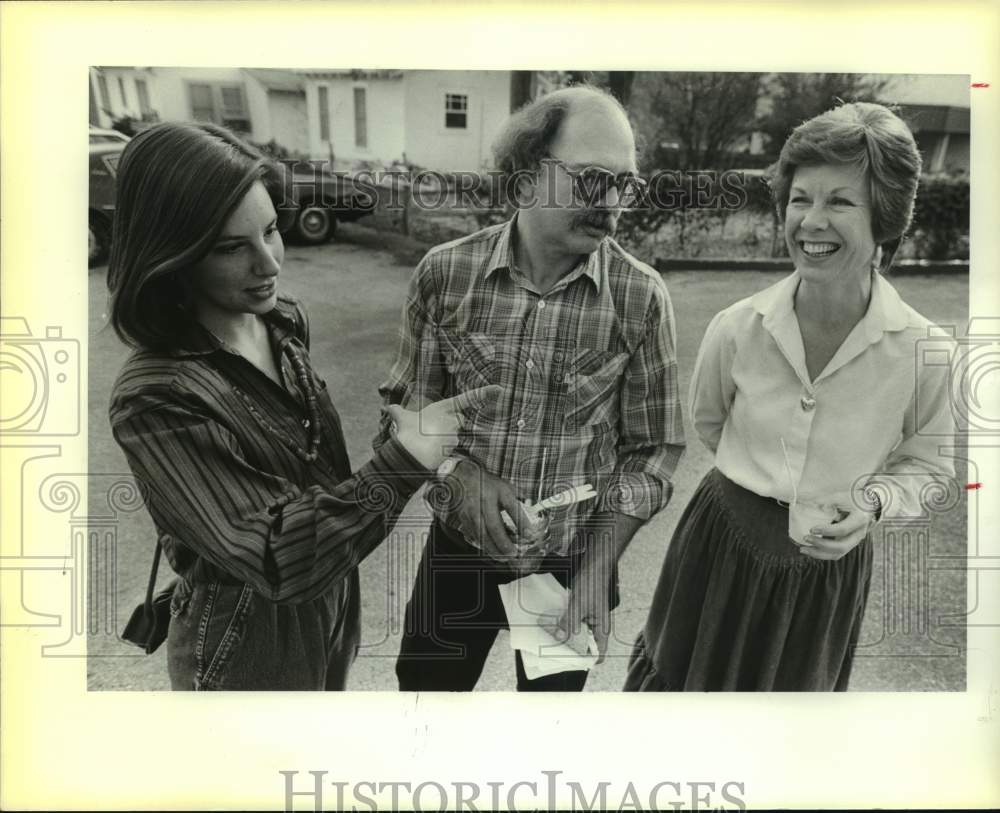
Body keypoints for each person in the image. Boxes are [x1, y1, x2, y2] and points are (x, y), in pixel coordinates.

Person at [107, 122, 495, 690]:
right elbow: (274, 560)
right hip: (242, 644)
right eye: (230, 248)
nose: (268, 264)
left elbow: (313, 475)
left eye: (270, 231)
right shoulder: (156, 394)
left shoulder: (283, 320)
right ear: (173, 255)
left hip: (331, 605)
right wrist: (407, 459)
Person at [625, 102, 957, 692]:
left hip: (823, 574)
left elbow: (928, 466)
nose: (811, 221)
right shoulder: (737, 326)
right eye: (801, 198)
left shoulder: (923, 350)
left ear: (885, 219)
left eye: (840, 201)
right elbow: (710, 423)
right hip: (719, 544)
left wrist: (873, 502)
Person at [376, 85, 686, 691]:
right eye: (594, 179)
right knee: (424, 712)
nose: (613, 203)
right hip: (457, 557)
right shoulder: (445, 273)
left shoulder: (640, 296)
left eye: (625, 184)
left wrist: (598, 569)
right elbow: (404, 407)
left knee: (547, 732)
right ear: (523, 182)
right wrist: (457, 475)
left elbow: (654, 451)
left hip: (573, 567)